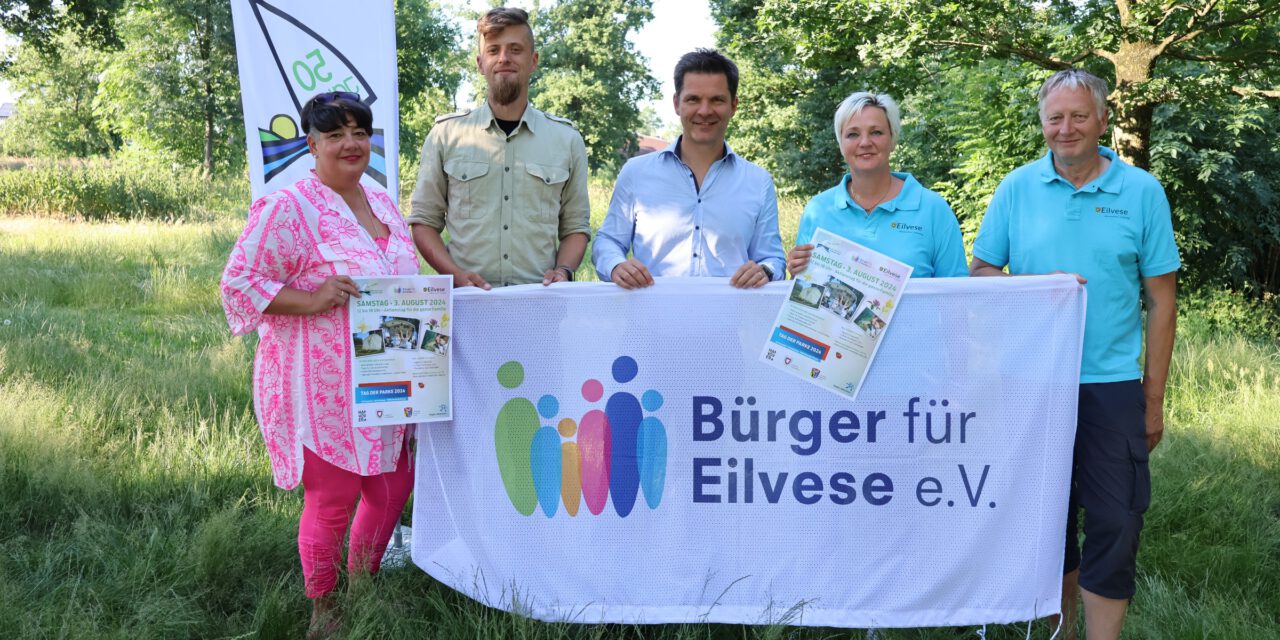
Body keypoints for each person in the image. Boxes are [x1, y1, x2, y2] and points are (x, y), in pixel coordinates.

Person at [969, 69, 1180, 640]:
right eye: (1055, 118)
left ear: (1102, 119)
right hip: (1032, 381)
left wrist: (1151, 399)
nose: (1066, 128)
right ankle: (1061, 629)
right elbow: (982, 272)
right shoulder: (1017, 188)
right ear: (1042, 124)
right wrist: (1037, 290)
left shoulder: (1142, 192)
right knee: (1047, 519)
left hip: (1112, 384)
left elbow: (1162, 301)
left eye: (1078, 116)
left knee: (1117, 520)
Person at [221, 92, 418, 639]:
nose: (350, 144)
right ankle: (324, 612)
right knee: (333, 499)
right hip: (319, 381)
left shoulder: (381, 202)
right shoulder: (290, 207)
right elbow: (238, 283)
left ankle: (363, 589)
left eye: (359, 132)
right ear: (312, 144)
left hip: (387, 374)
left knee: (392, 489)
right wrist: (312, 299)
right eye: (335, 135)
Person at [408, 6, 590, 289]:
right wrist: (455, 275)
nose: (504, 58)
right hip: (468, 306)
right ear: (480, 63)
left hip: (540, 304)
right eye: (494, 50)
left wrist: (564, 271)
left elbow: (576, 228)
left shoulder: (566, 140)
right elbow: (423, 222)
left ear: (534, 60)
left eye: (515, 49)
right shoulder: (446, 135)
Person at [592, 48, 785, 289]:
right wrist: (617, 265)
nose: (705, 111)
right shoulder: (636, 173)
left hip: (728, 324)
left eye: (717, 100)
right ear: (676, 103)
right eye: (693, 99)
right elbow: (607, 242)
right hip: (650, 323)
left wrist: (765, 270)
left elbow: (773, 259)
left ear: (734, 105)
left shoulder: (758, 182)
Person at [786, 91, 966, 279]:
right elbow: (806, 295)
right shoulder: (818, 210)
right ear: (841, 144)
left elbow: (957, 295)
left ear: (893, 139)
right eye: (853, 134)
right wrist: (798, 272)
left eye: (876, 132)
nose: (864, 142)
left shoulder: (933, 210)